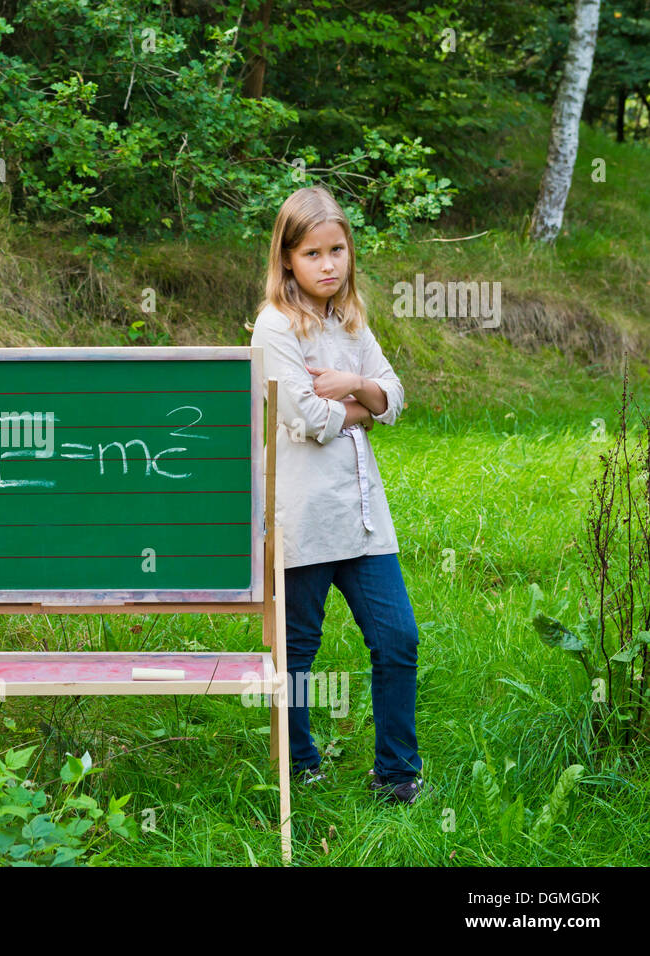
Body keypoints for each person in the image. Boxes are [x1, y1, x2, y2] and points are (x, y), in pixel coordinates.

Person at [249, 185, 423, 805]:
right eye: (313, 253)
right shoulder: (274, 328)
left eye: (337, 250)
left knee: (397, 638)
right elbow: (306, 418)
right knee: (297, 649)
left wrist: (354, 385)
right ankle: (300, 762)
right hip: (302, 513)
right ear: (288, 259)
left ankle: (397, 773)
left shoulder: (350, 322)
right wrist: (364, 403)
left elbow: (393, 397)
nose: (328, 264)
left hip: (364, 513)